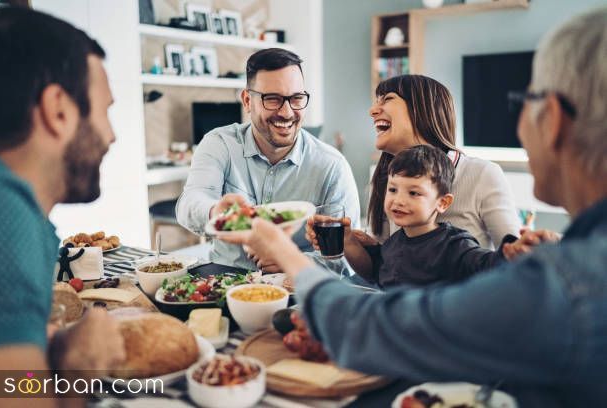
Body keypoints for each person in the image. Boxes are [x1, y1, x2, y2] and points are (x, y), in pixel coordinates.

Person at [220, 7, 607, 406]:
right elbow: (387, 262)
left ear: (554, 119)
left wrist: (279, 244)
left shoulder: (559, 280)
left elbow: (373, 326)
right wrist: (349, 242)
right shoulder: (568, 269)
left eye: (525, 99)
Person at [0, 5, 124, 393]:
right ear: (58, 110)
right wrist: (80, 368)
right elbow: (18, 394)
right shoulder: (7, 215)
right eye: (104, 111)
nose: (111, 135)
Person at [177, 48, 360, 272]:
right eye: (272, 99)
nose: (286, 112)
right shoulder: (219, 143)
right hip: (225, 280)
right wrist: (217, 212)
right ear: (247, 100)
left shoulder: (332, 166)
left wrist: (291, 262)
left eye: (296, 98)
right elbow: (189, 203)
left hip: (296, 289)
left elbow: (348, 257)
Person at [364, 75, 521, 249]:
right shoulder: (384, 179)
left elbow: (514, 257)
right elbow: (381, 268)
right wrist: (351, 243)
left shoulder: (482, 173)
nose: (372, 111)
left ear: (422, 109)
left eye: (387, 99)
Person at [341, 145, 520, 288]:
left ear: (442, 203)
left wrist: (511, 251)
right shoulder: (394, 243)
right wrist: (348, 239)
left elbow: (487, 265)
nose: (398, 201)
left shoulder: (454, 245)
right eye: (393, 190)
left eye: (413, 193)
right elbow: (375, 272)